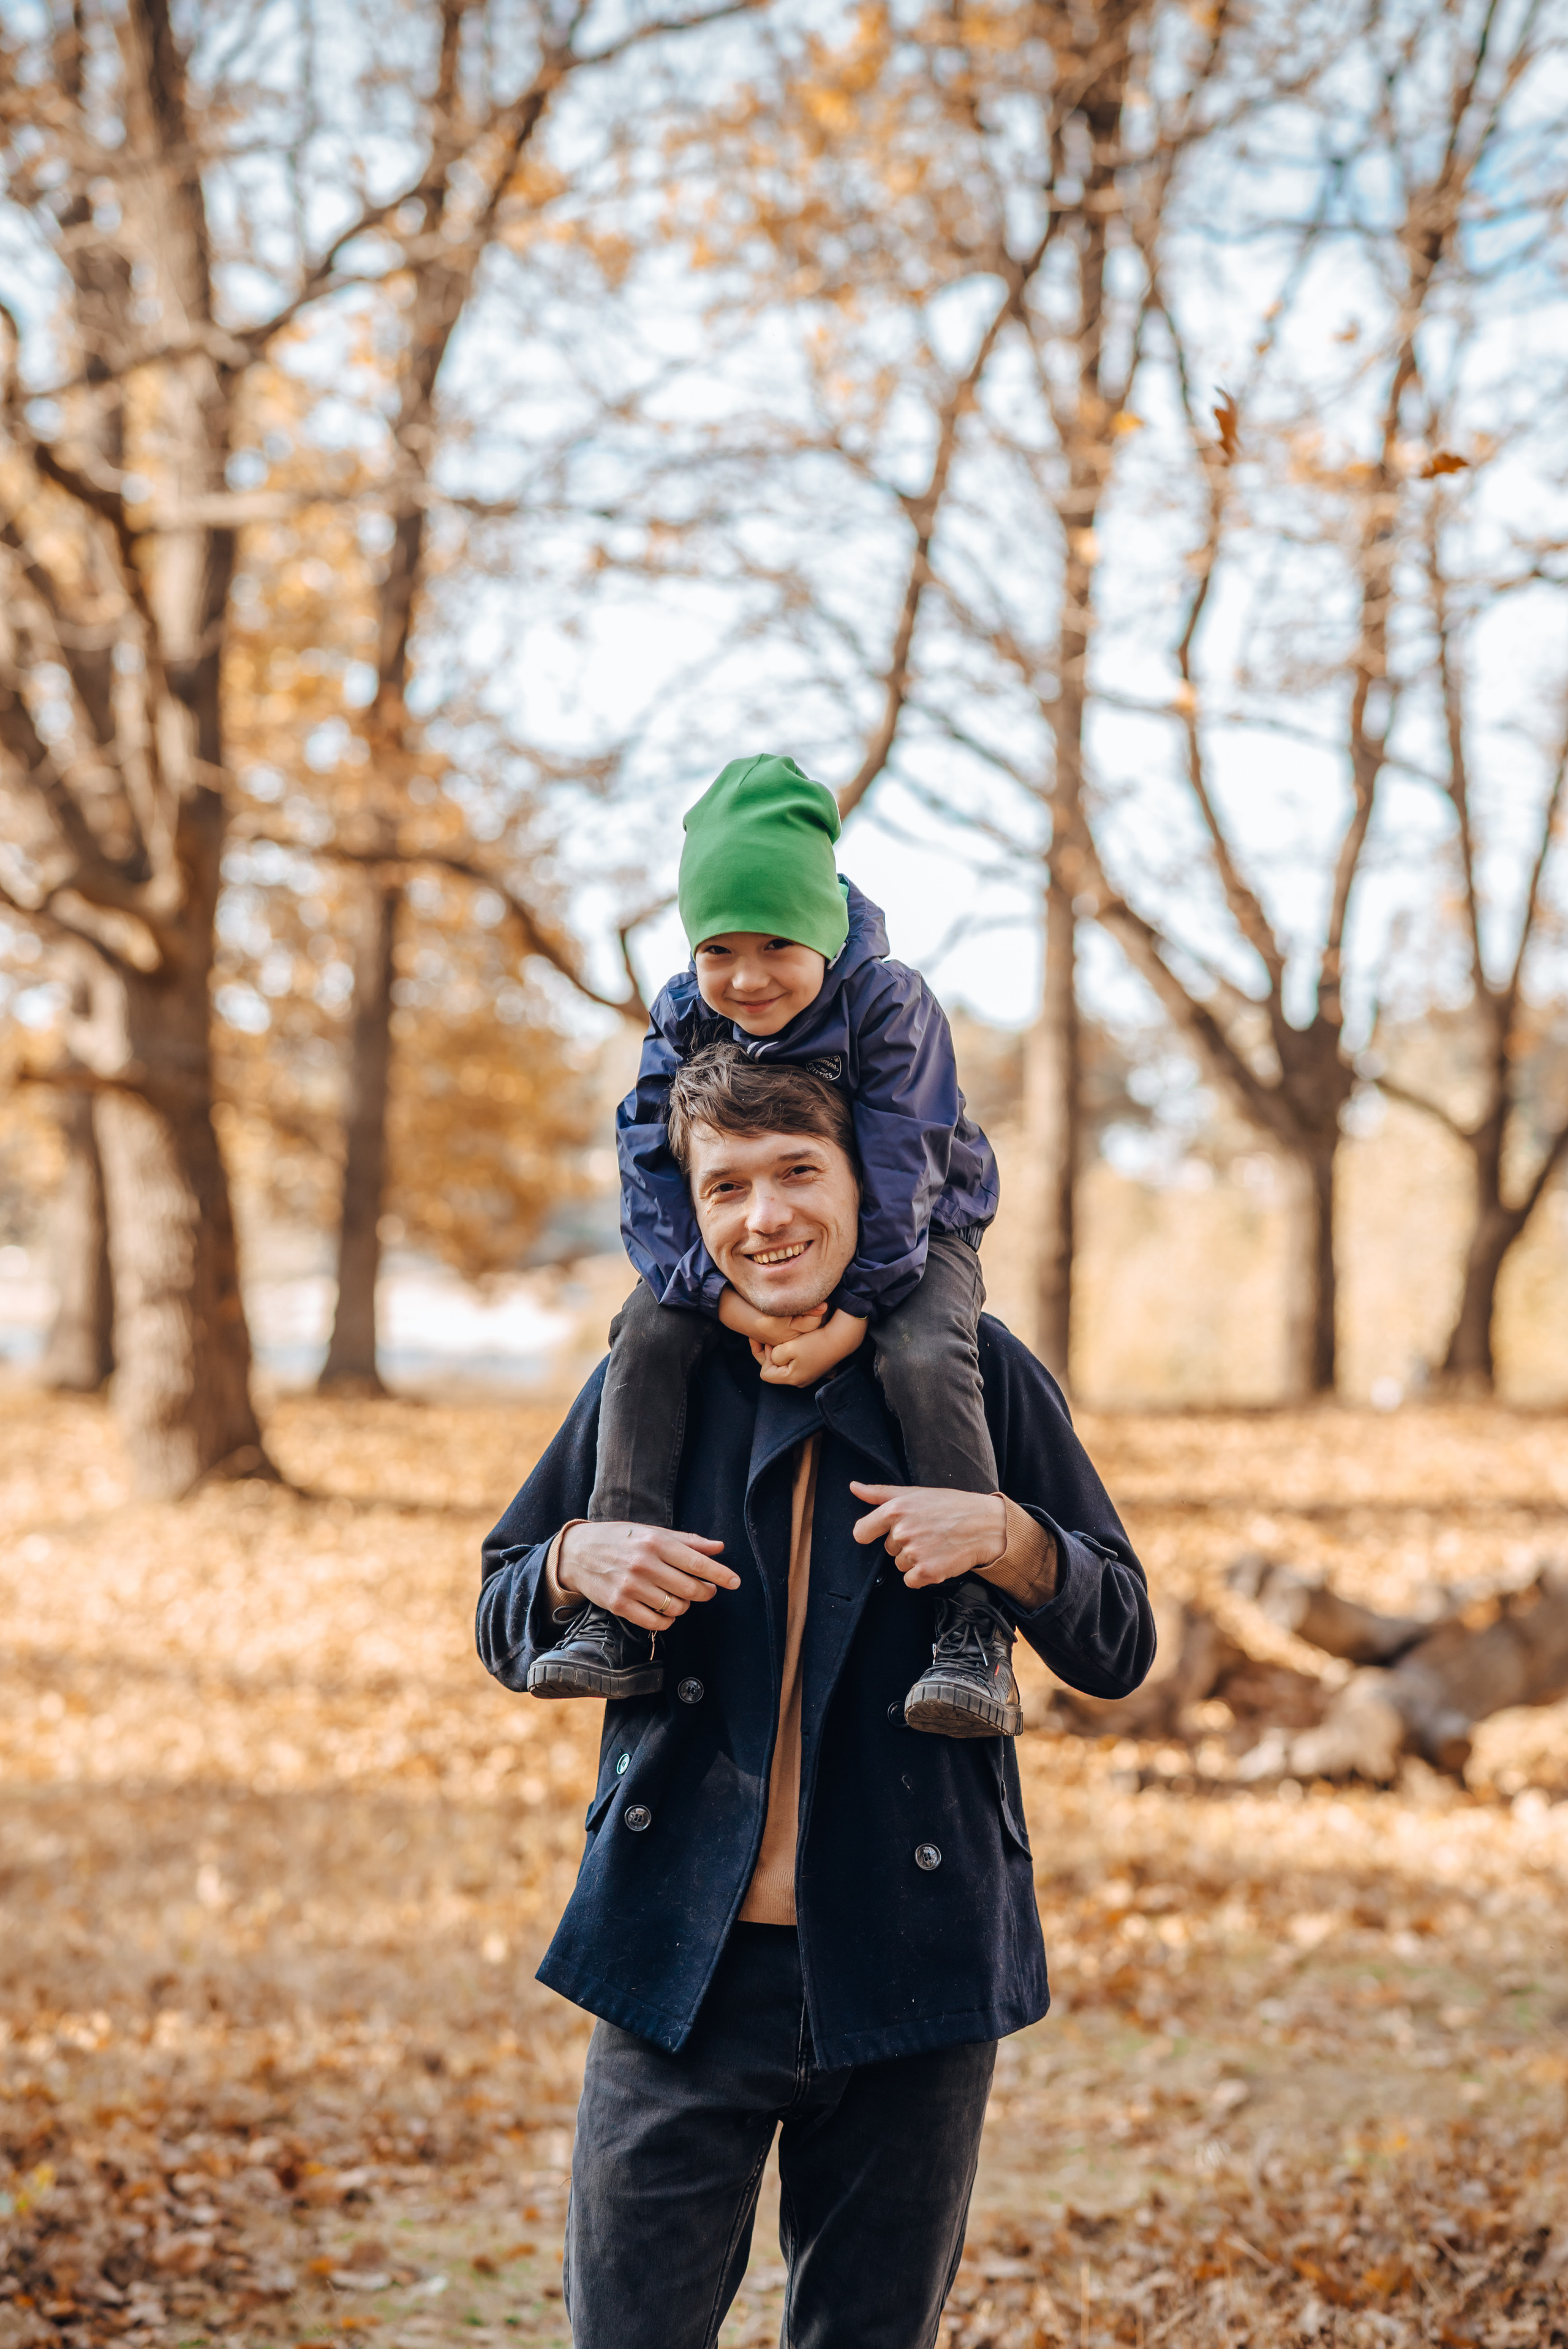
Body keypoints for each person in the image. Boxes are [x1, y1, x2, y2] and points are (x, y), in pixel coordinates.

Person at [477, 1050, 1154, 2349]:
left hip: (913, 1954)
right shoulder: (649, 1377)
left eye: (798, 1172)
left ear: (868, 1181)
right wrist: (570, 1562)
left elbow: (1120, 1641)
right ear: (688, 1203)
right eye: (725, 1185)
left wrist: (1010, 1540)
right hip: (676, 1959)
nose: (763, 1216)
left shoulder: (973, 1370)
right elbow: (499, 1614)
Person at [529, 750, 1014, 1739]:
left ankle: (972, 1623)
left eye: (777, 945)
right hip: (741, 1273)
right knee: (646, 1334)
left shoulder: (887, 1004)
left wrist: (854, 1318)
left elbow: (903, 1162)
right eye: (720, 949)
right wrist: (711, 1294)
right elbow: (649, 1168)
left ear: (825, 932)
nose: (747, 977)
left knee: (924, 1351)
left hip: (916, 1232)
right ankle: (623, 1618)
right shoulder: (682, 1011)